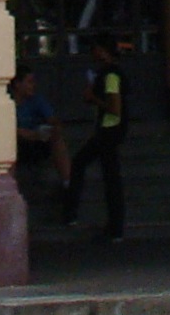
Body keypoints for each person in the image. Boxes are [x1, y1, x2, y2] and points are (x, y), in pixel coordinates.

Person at [57, 36, 127, 240]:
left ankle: (76, 214)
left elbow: (115, 108)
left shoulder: (111, 76)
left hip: (109, 130)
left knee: (93, 170)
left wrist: (93, 98)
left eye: (96, 49)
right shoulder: (109, 73)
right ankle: (114, 227)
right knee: (108, 176)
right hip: (109, 130)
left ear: (104, 51)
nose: (93, 53)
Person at [11, 68, 71, 206]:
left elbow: (53, 120)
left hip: (36, 142)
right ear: (17, 84)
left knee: (57, 140)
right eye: (29, 82)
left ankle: (68, 182)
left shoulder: (37, 100)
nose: (33, 86)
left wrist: (51, 128)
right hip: (17, 144)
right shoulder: (8, 102)